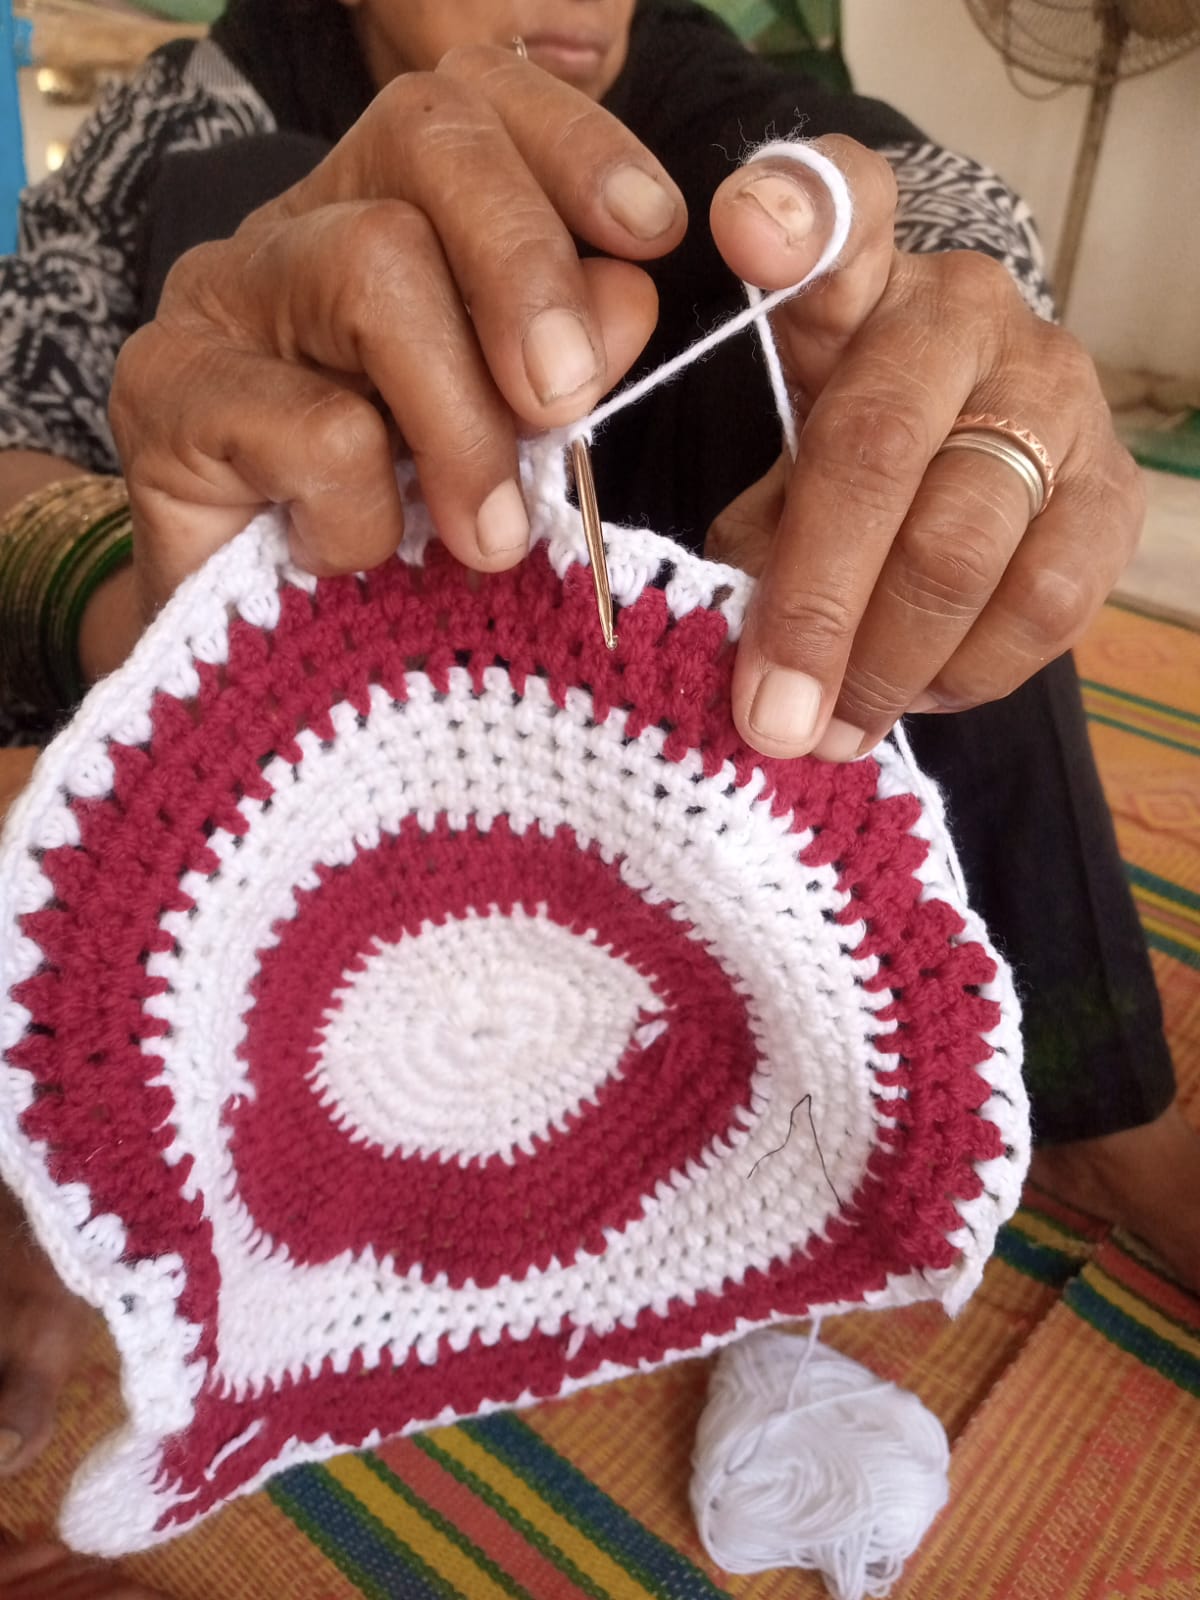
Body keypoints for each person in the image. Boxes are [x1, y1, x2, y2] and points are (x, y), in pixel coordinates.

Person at [1, 0, 1197, 1591]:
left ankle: (1102, 1094)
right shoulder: (183, 114)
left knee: (897, 460)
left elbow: (962, 230)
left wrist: (977, 375)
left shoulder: (740, 106)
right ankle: (105, 1169)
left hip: (701, 710)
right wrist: (174, 618)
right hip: (301, 722)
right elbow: (13, 434)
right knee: (236, 217)